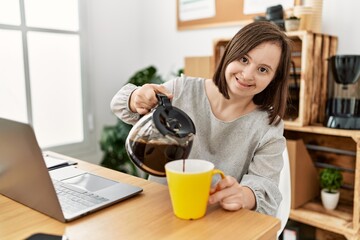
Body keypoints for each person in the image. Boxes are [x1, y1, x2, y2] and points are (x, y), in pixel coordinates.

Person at [110, 21, 292, 217]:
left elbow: (266, 187)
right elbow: (118, 104)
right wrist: (136, 97)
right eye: (244, 59)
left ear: (274, 79)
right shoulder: (181, 91)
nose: (247, 74)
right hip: (158, 212)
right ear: (230, 53)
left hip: (216, 221)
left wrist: (245, 195)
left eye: (263, 70)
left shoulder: (268, 127)